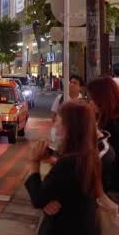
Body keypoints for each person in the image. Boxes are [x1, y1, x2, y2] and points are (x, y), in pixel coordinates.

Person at [25, 101, 102, 235]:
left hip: (64, 227)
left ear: (69, 126)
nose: (55, 123)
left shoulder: (68, 162)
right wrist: (54, 160)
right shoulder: (88, 154)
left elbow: (38, 198)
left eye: (59, 119)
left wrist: (34, 161)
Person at [87, 76, 119, 193]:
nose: (90, 102)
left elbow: (101, 156)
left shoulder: (111, 125)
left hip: (110, 187)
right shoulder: (106, 118)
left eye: (92, 98)